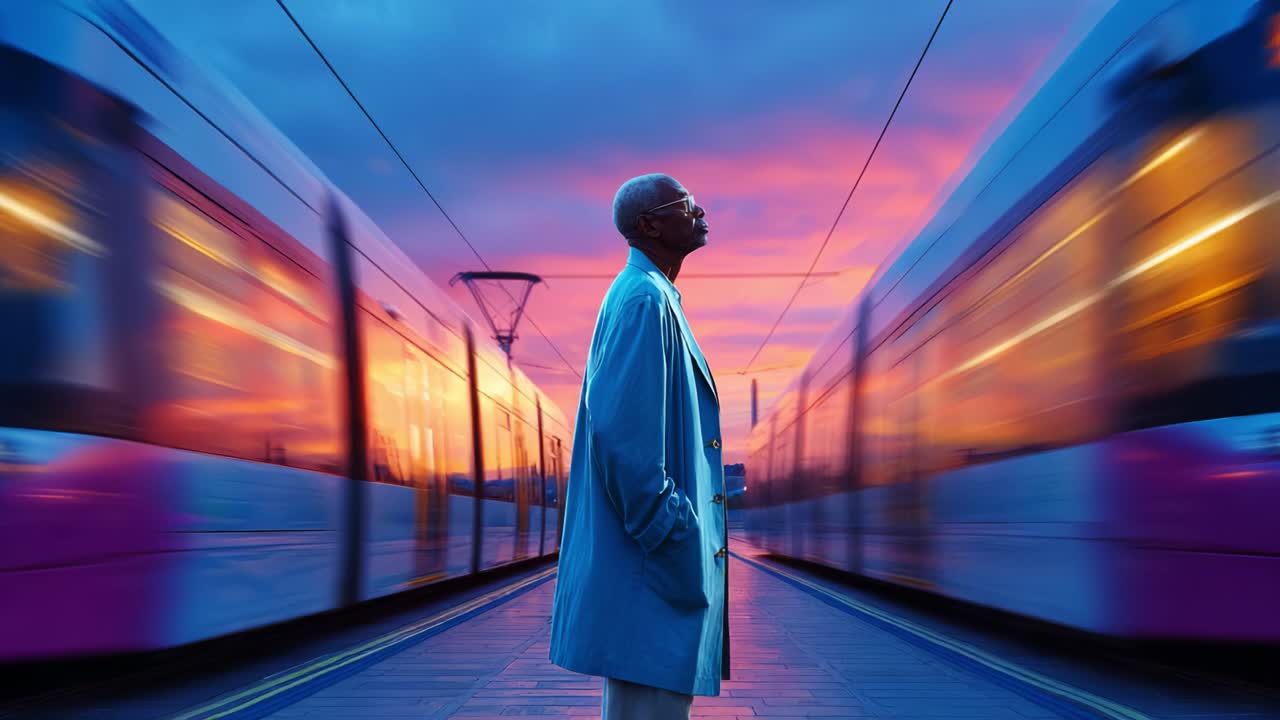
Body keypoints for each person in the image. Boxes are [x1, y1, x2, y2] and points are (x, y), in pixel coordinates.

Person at [549, 173, 729, 719]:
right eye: (687, 206)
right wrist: (672, 531)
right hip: (651, 570)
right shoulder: (644, 302)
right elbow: (622, 438)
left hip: (652, 572)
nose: (700, 214)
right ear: (650, 225)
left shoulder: (651, 296)